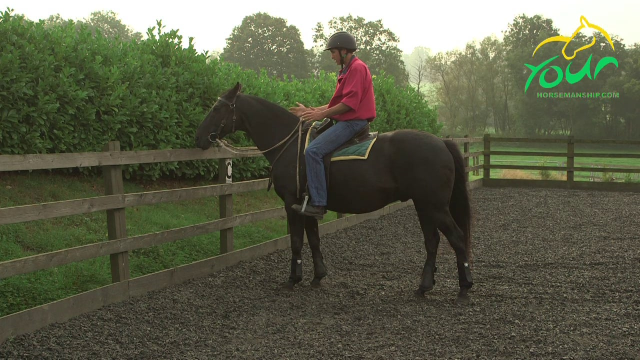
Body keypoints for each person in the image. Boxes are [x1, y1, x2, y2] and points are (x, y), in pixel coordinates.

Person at [289, 31, 376, 220]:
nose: (332, 56)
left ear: (344, 51)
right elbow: (335, 105)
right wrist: (310, 111)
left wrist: (320, 114)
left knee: (313, 151)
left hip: (353, 123)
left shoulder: (357, 69)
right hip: (348, 120)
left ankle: (318, 204)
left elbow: (349, 104)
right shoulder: (348, 70)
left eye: (333, 52)